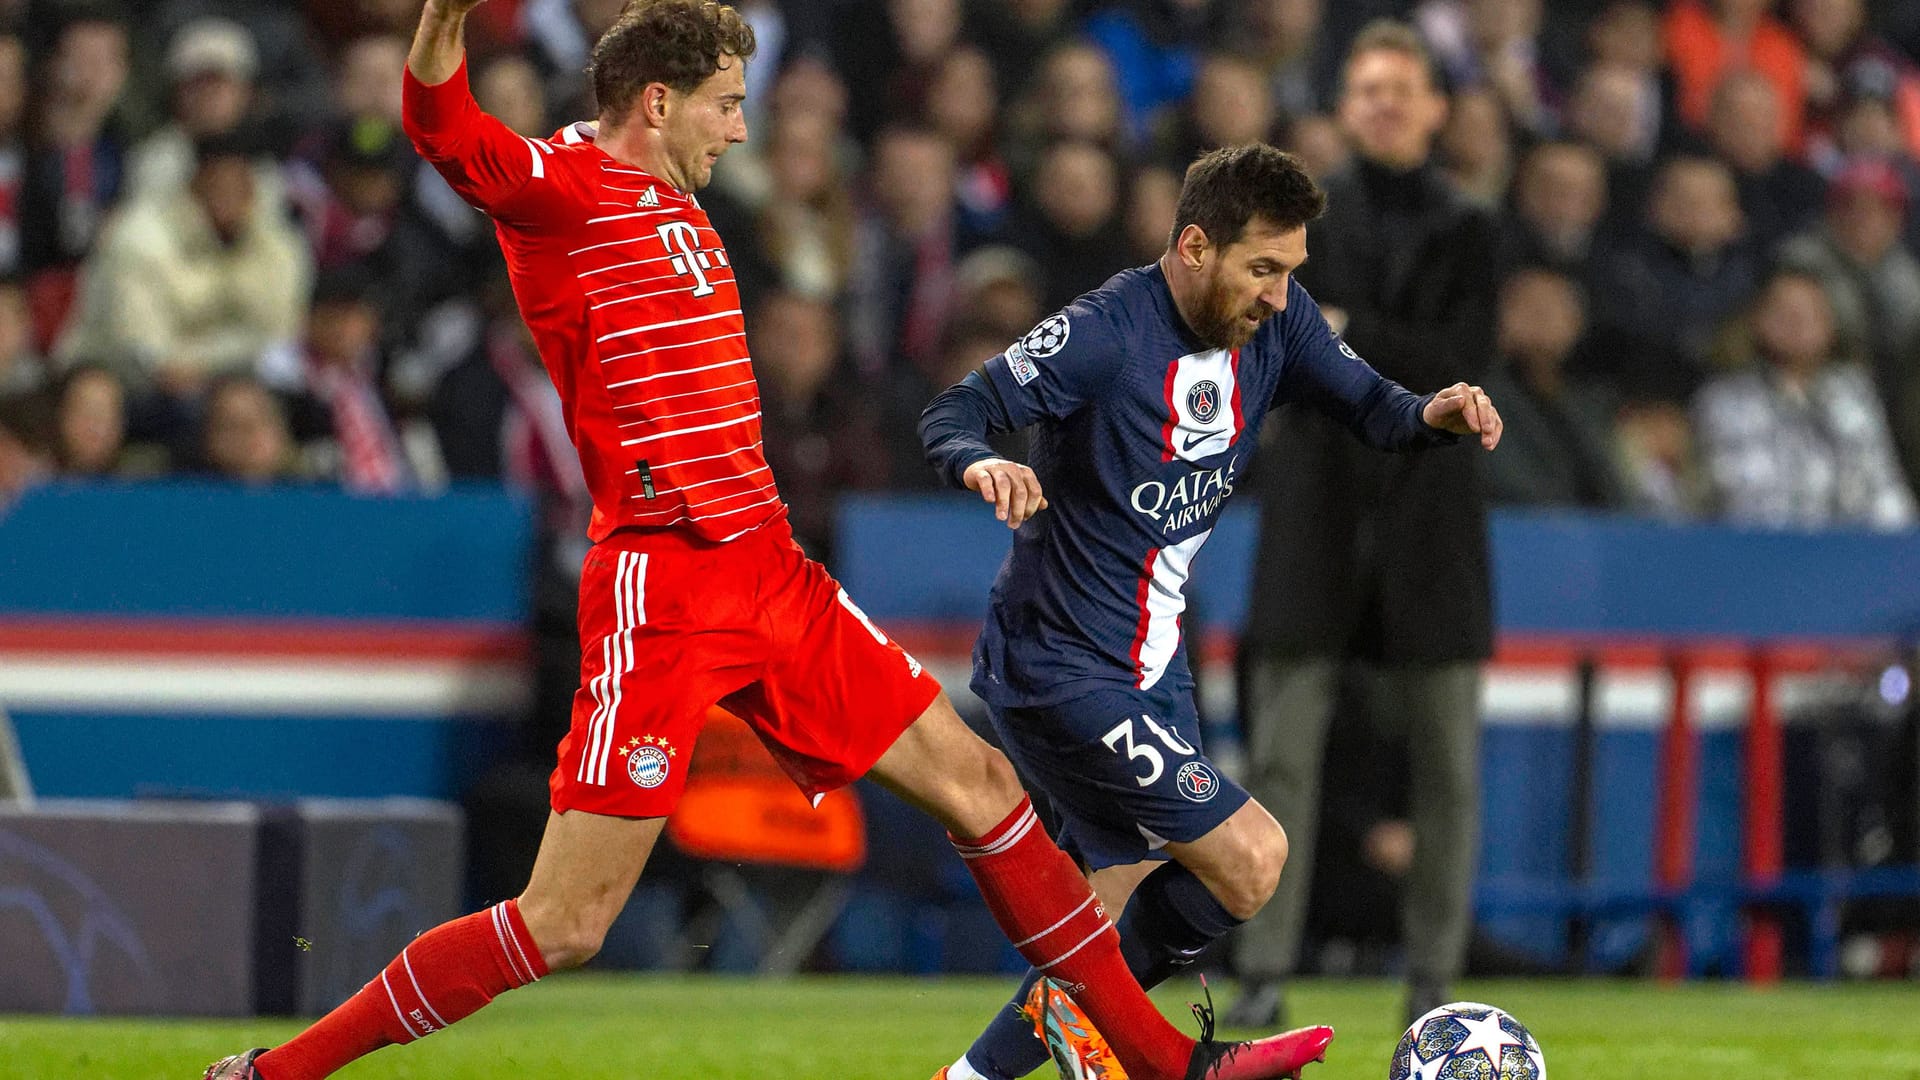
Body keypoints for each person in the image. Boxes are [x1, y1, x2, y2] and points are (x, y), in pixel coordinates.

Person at [203, 3, 1335, 1078]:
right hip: (666, 579)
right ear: (656, 102)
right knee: (568, 922)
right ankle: (278, 1068)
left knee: (983, 783)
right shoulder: (565, 185)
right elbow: (443, 131)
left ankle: (1165, 1060)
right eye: (727, 103)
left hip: (770, 568)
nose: (743, 127)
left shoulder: (683, 198)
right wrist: (448, 20)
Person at [919, 142, 1503, 1080]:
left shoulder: (1277, 325)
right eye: (1262, 269)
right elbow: (956, 408)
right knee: (1252, 857)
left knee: (1109, 919)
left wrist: (1433, 410)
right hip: (1061, 663)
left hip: (1154, 666)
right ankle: (1132, 1062)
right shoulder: (1106, 330)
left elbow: (1372, 404)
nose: (1279, 295)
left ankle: (984, 1076)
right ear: (1194, 246)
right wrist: (981, 460)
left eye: (1291, 272)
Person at [1228, 21, 1500, 1031]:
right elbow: (1279, 347)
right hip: (1319, 516)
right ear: (1346, 106)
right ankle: (1263, 968)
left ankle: (1434, 974)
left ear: (1435, 108)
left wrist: (1343, 333)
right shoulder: (1299, 222)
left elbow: (1464, 354)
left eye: (1403, 88)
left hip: (1428, 526)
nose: (1385, 102)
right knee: (1281, 760)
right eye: (1369, 86)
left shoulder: (1473, 228)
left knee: (1448, 769)